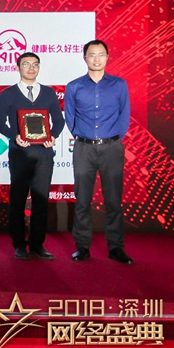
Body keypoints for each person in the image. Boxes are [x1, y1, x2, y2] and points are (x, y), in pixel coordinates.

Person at [65, 40, 133, 264]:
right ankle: (82, 246)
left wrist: (113, 139)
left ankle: (116, 247)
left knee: (113, 201)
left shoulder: (119, 84)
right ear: (84, 58)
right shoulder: (74, 86)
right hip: (83, 148)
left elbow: (124, 116)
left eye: (101, 54)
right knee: (82, 200)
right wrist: (83, 136)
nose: (96, 59)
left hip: (111, 148)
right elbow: (70, 118)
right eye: (92, 55)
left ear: (107, 57)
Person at [0, 53, 65, 260]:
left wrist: (53, 136)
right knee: (17, 201)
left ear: (39, 68)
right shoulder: (8, 94)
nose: (31, 68)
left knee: (40, 201)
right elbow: (0, 122)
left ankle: (37, 244)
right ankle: (18, 244)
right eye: (26, 64)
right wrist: (15, 136)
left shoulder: (49, 93)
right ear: (18, 68)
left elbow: (59, 121)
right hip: (20, 153)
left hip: (44, 153)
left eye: (35, 64)